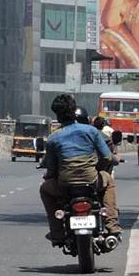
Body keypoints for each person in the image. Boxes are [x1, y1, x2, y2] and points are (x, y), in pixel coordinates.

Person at [41, 94, 121, 239]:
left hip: (65, 185)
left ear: (58, 116)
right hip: (91, 181)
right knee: (108, 180)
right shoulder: (92, 131)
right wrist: (99, 169)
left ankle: (57, 231)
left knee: (44, 189)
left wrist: (50, 176)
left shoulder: (53, 138)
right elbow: (107, 157)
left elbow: (51, 169)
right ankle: (112, 225)